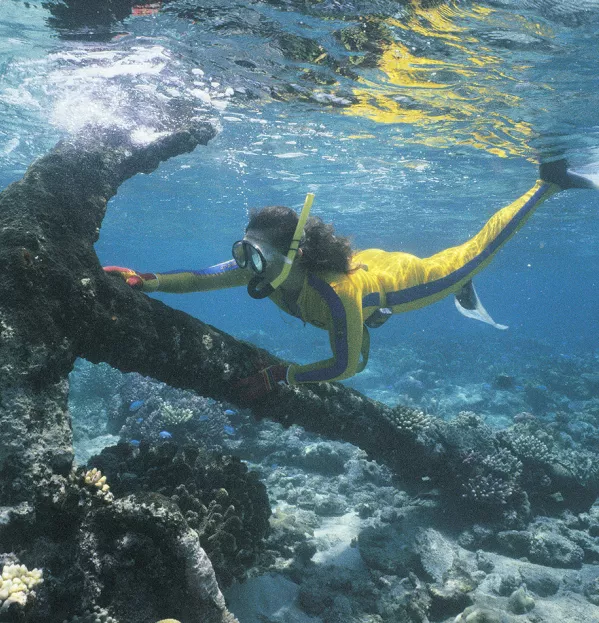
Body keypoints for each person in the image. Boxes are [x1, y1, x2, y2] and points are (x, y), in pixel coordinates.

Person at [105, 159, 596, 401]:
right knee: (370, 312)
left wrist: (284, 375)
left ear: (292, 255)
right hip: (365, 269)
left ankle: (547, 181)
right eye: (242, 251)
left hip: (401, 283)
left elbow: (348, 366)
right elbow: (199, 278)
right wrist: (144, 281)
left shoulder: (335, 296)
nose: (243, 265)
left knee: (471, 256)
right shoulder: (269, 268)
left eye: (255, 255)